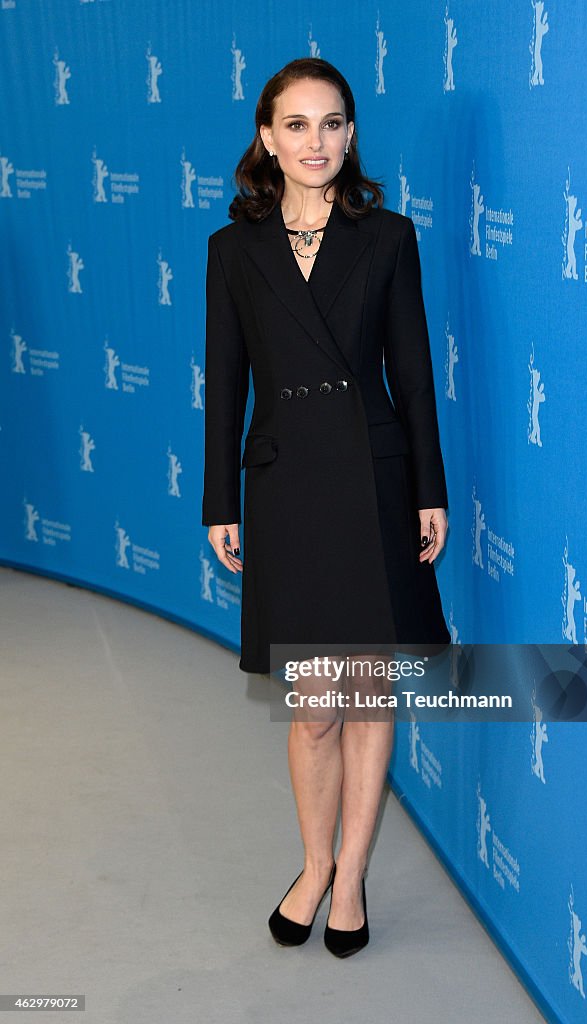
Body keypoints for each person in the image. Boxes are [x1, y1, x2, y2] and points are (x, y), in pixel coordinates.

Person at [202, 57, 450, 957]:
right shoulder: (233, 250)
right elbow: (224, 383)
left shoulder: (387, 237)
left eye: (334, 123)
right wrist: (216, 499)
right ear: (267, 138)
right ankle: (312, 865)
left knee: (369, 692)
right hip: (288, 486)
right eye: (298, 125)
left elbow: (414, 378)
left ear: (352, 134)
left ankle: (351, 878)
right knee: (316, 703)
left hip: (374, 479)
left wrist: (430, 488)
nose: (318, 143)